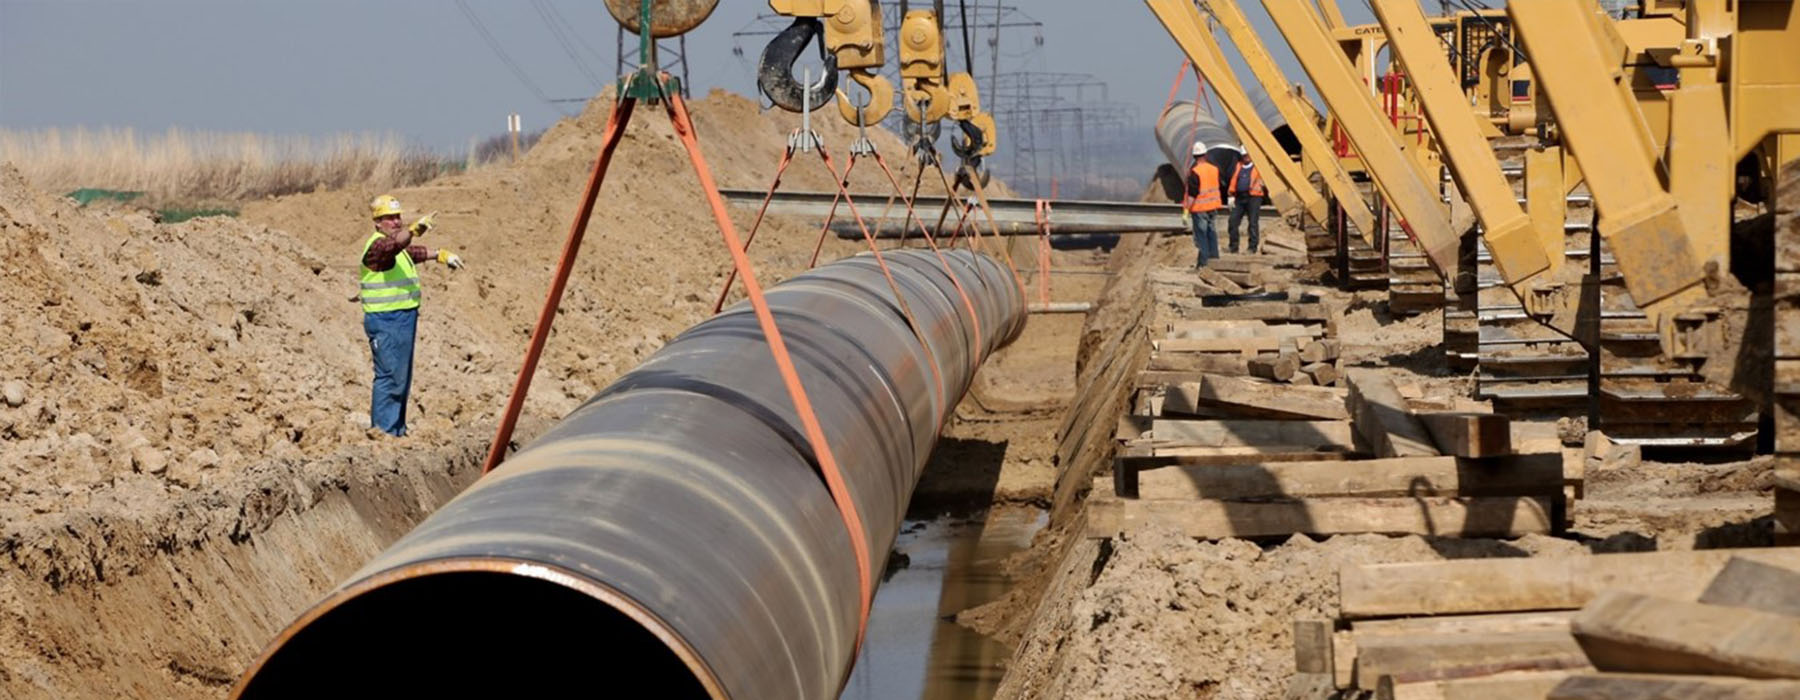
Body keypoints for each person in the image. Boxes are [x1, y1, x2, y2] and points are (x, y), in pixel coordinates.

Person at [359, 194, 464, 437]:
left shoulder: (397, 249)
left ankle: (397, 430)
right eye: (389, 218)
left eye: (398, 218)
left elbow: (411, 252)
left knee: (401, 377)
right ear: (377, 222)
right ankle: (384, 432)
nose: (395, 222)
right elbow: (393, 247)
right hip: (385, 321)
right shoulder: (377, 247)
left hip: (403, 319)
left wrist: (440, 254)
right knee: (390, 377)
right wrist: (415, 230)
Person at [1183, 142, 1224, 268]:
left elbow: (1192, 195)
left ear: (1194, 157)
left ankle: (1204, 264)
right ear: (1205, 154)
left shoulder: (1195, 172)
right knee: (1212, 234)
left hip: (1200, 209)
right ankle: (1214, 261)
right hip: (1212, 207)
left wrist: (1186, 211)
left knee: (1202, 237)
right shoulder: (1214, 169)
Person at [1226, 148, 1265, 254]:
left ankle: (1252, 247)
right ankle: (1233, 247)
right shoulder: (1238, 166)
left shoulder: (1258, 166)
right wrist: (1231, 194)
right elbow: (1234, 180)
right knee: (1232, 221)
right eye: (1244, 155)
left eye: (1247, 155)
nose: (1245, 157)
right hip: (1239, 197)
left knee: (1252, 222)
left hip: (1254, 197)